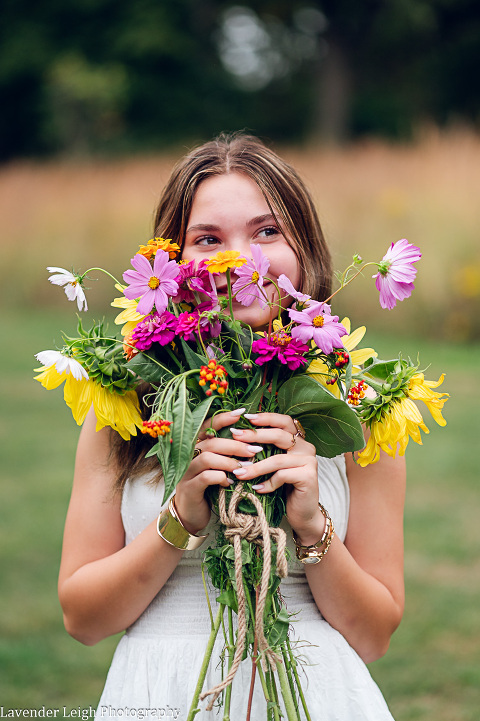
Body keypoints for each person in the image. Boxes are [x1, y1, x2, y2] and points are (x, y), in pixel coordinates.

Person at [58, 133, 405, 720]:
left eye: (267, 231)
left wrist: (309, 525)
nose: (241, 259)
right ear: (171, 261)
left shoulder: (360, 407)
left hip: (314, 695)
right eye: (208, 239)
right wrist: (180, 518)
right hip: (163, 695)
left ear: (306, 249)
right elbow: (83, 620)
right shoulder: (123, 403)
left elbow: (374, 636)